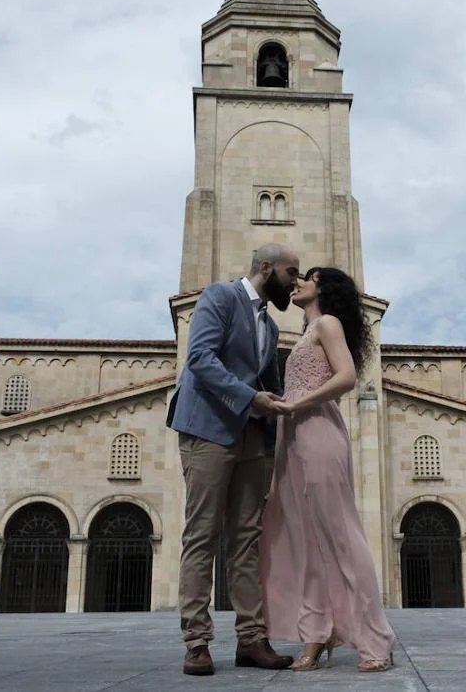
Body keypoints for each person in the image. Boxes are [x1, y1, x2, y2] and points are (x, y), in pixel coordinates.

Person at [167, 243, 302, 676]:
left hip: (252, 439)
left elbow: (270, 382)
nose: (295, 281)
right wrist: (251, 398)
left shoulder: (271, 324)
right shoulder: (219, 297)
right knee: (202, 534)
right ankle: (197, 642)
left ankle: (252, 639)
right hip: (208, 430)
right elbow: (200, 359)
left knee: (246, 541)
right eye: (290, 272)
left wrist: (281, 425)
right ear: (266, 268)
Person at [260, 266, 396, 673]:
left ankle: (376, 639)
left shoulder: (328, 323)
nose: (299, 281)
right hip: (293, 437)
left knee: (339, 535)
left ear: (324, 288)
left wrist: (297, 403)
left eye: (309, 276)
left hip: (318, 430)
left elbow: (348, 377)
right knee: (305, 540)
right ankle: (314, 636)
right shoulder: (307, 330)